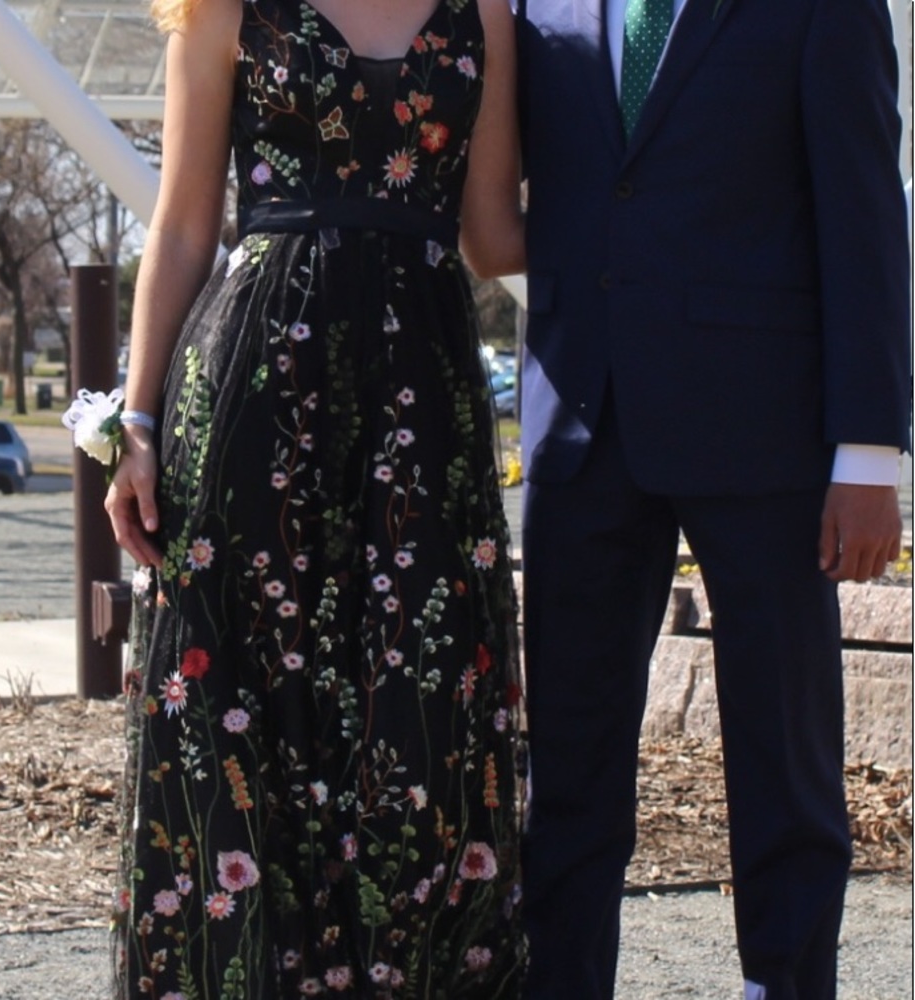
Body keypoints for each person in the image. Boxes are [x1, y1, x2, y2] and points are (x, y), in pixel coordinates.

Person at [104, 0, 527, 996]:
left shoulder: (488, 15)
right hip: (253, 402)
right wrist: (136, 422)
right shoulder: (221, 9)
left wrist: (677, 225)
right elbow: (181, 226)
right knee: (244, 727)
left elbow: (493, 235)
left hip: (423, 416)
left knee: (425, 723)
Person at [515, 1, 911, 998]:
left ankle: (783, 984)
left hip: (763, 434)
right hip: (577, 423)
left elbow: (864, 214)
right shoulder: (531, 5)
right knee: (565, 765)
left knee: (784, 758)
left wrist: (868, 455)